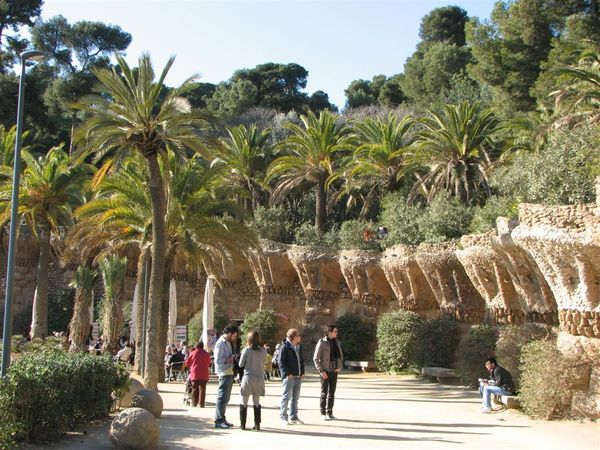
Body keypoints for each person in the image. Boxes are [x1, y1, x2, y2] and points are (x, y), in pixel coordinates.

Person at [313, 324, 343, 420]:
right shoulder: (322, 342)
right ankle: (322, 413)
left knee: (332, 393)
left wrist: (339, 367)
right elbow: (316, 358)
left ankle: (330, 412)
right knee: (324, 393)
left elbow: (340, 356)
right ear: (329, 332)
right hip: (325, 370)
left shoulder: (337, 342)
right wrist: (321, 371)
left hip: (334, 370)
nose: (337, 333)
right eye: (335, 331)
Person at [238, 331, 267, 431]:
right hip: (259, 378)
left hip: (248, 377)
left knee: (244, 401)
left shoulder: (246, 350)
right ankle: (257, 424)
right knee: (256, 402)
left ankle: (243, 425)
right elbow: (264, 362)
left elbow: (241, 364)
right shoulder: (263, 351)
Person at [214, 323, 239, 429]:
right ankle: (218, 420)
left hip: (229, 371)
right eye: (233, 335)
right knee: (222, 396)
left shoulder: (227, 342)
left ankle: (222, 418)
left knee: (226, 397)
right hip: (224, 372)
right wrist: (231, 359)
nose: (234, 338)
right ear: (229, 333)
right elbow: (218, 360)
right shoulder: (220, 343)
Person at [279, 328, 305, 425]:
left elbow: (301, 360)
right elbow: (281, 362)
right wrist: (287, 374)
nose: (300, 337)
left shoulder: (298, 346)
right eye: (298, 335)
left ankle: (294, 417)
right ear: (294, 337)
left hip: (298, 375)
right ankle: (283, 417)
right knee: (286, 397)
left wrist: (302, 371)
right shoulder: (284, 347)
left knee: (295, 398)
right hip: (289, 377)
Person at [185, 341, 212, 407]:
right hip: (204, 373)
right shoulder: (206, 354)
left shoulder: (193, 353)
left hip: (195, 373)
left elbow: (187, 363)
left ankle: (194, 403)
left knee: (194, 388)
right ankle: (201, 404)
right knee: (202, 389)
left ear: (196, 346)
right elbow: (209, 363)